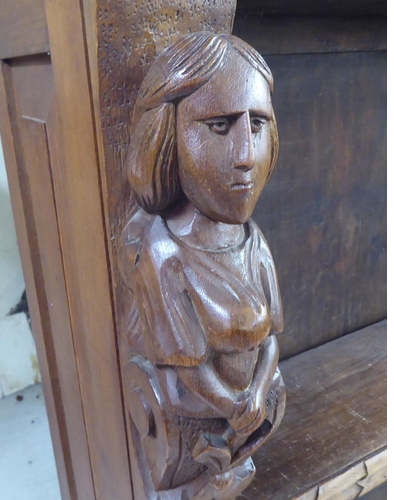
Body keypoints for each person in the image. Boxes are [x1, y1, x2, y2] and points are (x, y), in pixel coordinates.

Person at [120, 31, 285, 494]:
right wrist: (235, 402)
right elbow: (186, 366)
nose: (245, 157)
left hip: (251, 411)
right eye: (218, 126)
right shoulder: (163, 253)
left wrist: (255, 393)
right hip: (202, 422)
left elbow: (271, 339)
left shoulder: (253, 242)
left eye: (256, 126)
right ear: (165, 137)